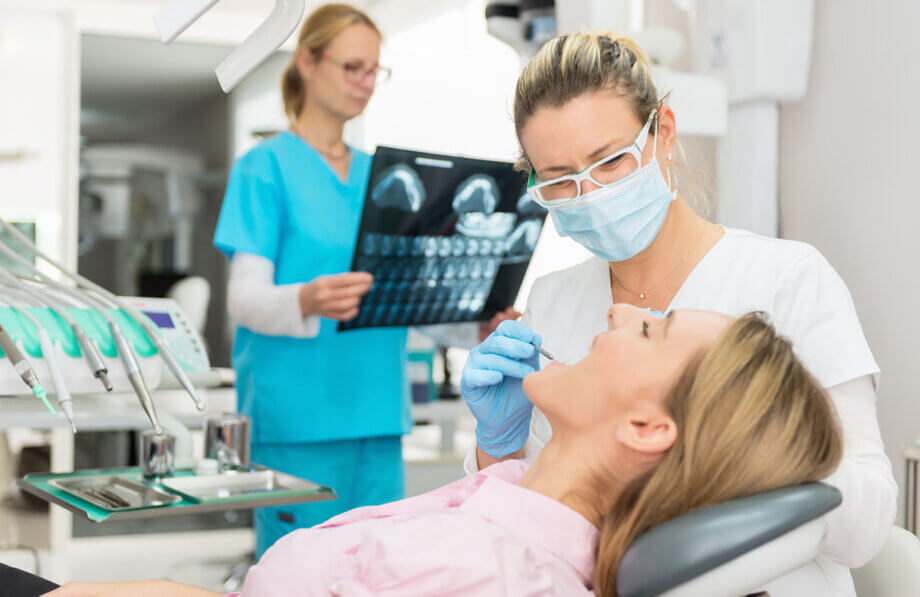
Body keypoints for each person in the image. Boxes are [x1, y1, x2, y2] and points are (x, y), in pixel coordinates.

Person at [458, 30, 896, 595]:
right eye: (559, 181)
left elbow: (866, 524)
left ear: (662, 133)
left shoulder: (787, 279)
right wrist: (498, 444)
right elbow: (527, 521)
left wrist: (731, 435)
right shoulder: (553, 300)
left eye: (609, 161)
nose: (588, 194)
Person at [43, 307, 842, 597]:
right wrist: (502, 452)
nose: (619, 307)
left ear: (645, 428)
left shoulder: (487, 574)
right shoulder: (519, 509)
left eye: (648, 329)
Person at [212, 3, 408, 558]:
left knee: (380, 574)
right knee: (298, 575)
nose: (366, 83)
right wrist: (307, 297)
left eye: (375, 70)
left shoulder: (383, 175)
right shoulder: (264, 167)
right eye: (353, 67)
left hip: (377, 415)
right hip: (298, 420)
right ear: (307, 61)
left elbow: (400, 294)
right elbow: (244, 299)